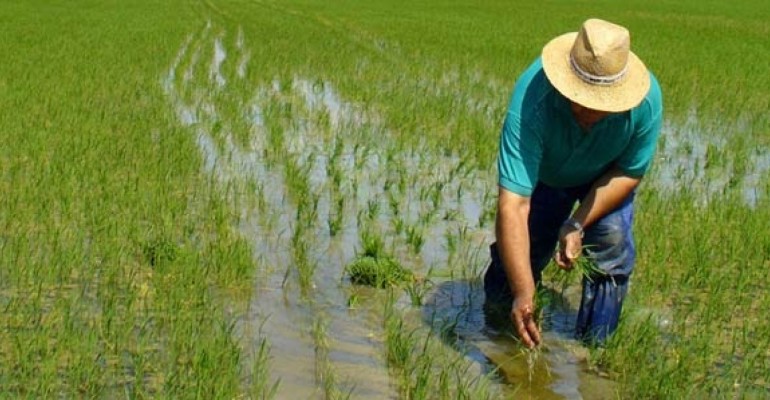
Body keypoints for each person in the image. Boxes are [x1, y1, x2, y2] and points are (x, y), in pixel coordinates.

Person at [484, 18, 663, 347]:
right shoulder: (532, 99)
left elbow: (629, 172)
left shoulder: (646, 103)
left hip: (605, 176)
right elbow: (513, 204)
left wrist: (577, 223)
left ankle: (594, 350)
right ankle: (500, 330)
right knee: (524, 255)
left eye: (598, 104)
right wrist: (523, 292)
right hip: (547, 175)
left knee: (612, 246)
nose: (584, 109)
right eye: (578, 97)